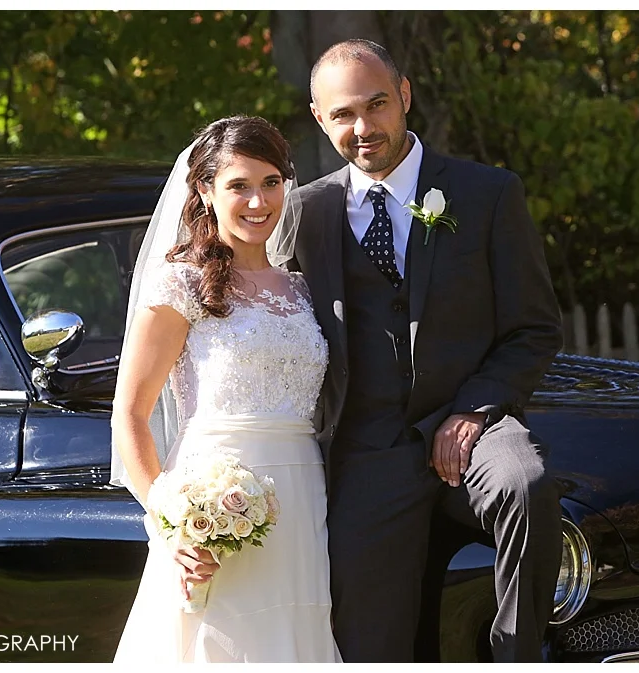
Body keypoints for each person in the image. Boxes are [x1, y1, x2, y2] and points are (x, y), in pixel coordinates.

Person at [289, 39, 565, 662]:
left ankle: (517, 654)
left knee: (529, 483)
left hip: (473, 424)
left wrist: (475, 409)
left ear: (405, 94)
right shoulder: (307, 212)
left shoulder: (488, 193)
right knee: (367, 644)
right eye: (343, 115)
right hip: (368, 449)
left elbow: (534, 328)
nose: (364, 128)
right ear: (319, 118)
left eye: (377, 104)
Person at [110, 115, 341, 663]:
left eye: (270, 183)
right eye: (239, 185)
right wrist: (171, 521)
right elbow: (130, 414)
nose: (258, 201)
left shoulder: (305, 290)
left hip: (303, 501)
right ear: (205, 191)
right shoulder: (180, 284)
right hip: (217, 504)